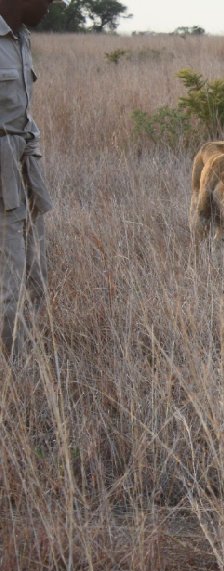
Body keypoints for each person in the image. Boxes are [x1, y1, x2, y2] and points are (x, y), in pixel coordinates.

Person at [0, 0, 58, 358]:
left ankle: (29, 349)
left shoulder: (21, 38)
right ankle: (14, 366)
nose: (50, 7)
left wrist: (30, 152)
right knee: (13, 271)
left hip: (24, 164)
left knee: (37, 268)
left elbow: (23, 113)